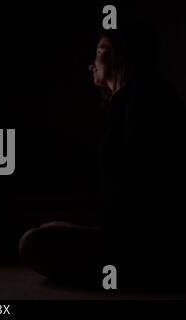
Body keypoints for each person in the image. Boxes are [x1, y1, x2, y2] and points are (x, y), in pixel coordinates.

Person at [19, 28, 186, 290]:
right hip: (131, 236)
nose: (91, 64)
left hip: (148, 245)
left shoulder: (147, 97)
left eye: (99, 51)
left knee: (32, 242)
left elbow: (142, 194)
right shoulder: (125, 102)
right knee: (45, 232)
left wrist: (85, 230)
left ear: (122, 56)